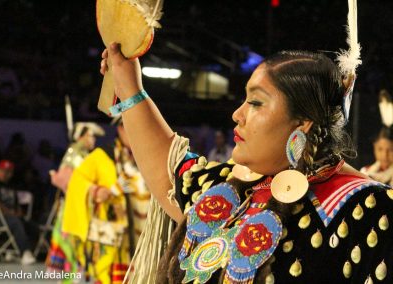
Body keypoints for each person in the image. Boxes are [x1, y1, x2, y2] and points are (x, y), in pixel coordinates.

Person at [99, 41, 393, 283]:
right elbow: (169, 169)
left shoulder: (364, 208)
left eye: (255, 102)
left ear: (303, 122)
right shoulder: (228, 190)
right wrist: (128, 86)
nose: (237, 114)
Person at [61, 119, 150, 284]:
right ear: (121, 129)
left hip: (143, 233)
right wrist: (98, 191)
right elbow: (77, 181)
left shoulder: (145, 157)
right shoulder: (102, 155)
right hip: (112, 232)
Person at [46, 122, 104, 281]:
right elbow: (63, 180)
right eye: (91, 136)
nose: (93, 140)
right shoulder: (74, 154)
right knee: (70, 247)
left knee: (80, 248)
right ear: (81, 136)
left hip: (83, 208)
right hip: (72, 209)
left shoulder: (85, 155)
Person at [0, 159, 36, 265]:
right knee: (15, 222)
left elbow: (16, 204)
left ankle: (13, 251)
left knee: (33, 226)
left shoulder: (12, 185)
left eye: (8, 171)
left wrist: (18, 212)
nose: (5, 174)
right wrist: (10, 213)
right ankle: (24, 252)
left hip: (11, 217)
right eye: (2, 170)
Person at [361, 89, 393, 184]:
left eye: (391, 150)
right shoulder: (365, 171)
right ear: (374, 147)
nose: (384, 155)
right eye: (380, 149)